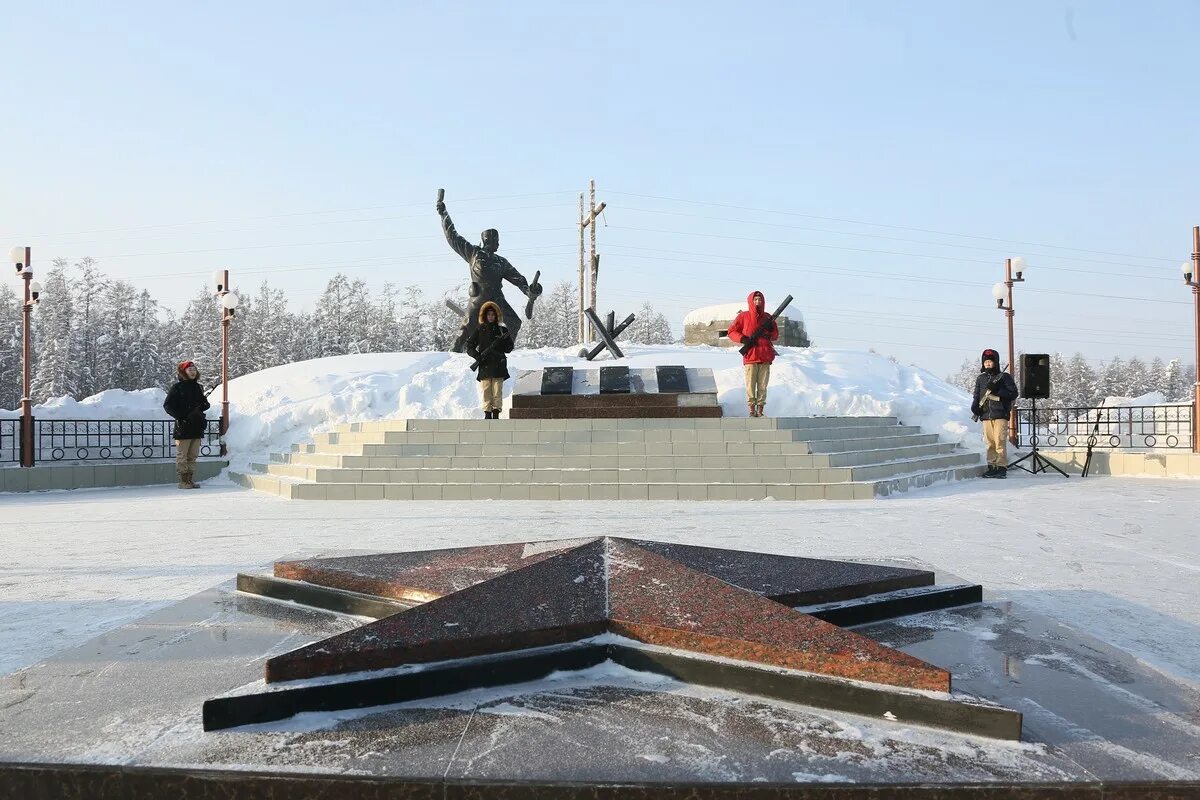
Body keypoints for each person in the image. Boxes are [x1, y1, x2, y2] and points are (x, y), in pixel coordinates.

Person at [437, 194, 541, 352]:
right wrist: (444, 214)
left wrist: (529, 290)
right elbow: (453, 236)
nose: (498, 243)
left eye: (498, 240)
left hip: (497, 297)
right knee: (466, 330)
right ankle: (454, 357)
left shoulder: (501, 262)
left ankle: (502, 349)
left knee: (514, 322)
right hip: (478, 299)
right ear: (487, 241)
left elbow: (518, 279)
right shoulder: (473, 253)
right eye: (495, 241)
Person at [726, 290, 779, 417]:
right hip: (751, 356)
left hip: (765, 356)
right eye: (755, 300)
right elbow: (731, 331)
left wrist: (771, 331)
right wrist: (743, 339)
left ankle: (760, 410)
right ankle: (751, 410)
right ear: (751, 301)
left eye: (759, 300)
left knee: (762, 385)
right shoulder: (743, 316)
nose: (757, 302)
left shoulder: (768, 317)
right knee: (750, 385)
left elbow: (775, 336)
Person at [971, 348, 1019, 479]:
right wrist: (975, 407)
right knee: (990, 443)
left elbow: (1013, 393)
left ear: (995, 362)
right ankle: (991, 467)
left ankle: (1001, 467)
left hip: (1000, 414)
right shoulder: (980, 379)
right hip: (986, 416)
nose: (987, 364)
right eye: (985, 362)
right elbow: (976, 396)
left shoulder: (1004, 377)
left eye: (990, 362)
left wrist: (998, 390)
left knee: (999, 442)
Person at [163, 360, 210, 489]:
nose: (193, 372)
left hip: (196, 426)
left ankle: (190, 480)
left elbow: (204, 404)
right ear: (184, 372)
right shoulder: (177, 387)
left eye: (194, 370)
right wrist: (182, 416)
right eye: (190, 370)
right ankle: (183, 481)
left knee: (192, 456)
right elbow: (168, 406)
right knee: (182, 456)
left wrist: (202, 407)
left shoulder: (198, 387)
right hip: (183, 427)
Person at [465, 301, 514, 419]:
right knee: (486, 390)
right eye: (488, 315)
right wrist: (478, 356)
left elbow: (509, 348)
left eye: (493, 315)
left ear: (496, 315)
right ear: (485, 316)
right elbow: (469, 346)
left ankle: (496, 412)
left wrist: (501, 345)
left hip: (499, 364)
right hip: (485, 364)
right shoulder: (480, 329)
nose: (491, 317)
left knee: (497, 391)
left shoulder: (502, 330)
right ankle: (487, 413)